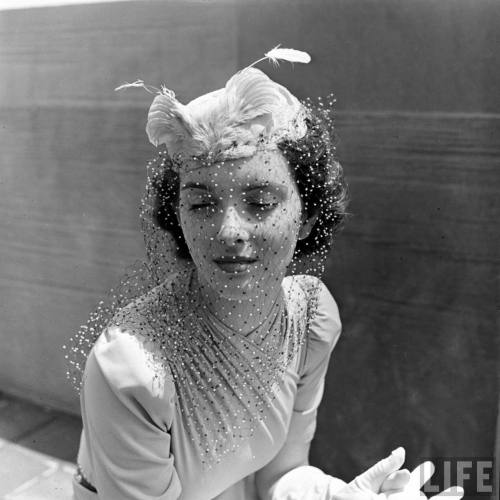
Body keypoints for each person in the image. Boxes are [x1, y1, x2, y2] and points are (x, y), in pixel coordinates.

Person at [68, 48, 463, 500]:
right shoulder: (132, 370)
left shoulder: (311, 318)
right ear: (178, 216)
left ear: (307, 216)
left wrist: (339, 497)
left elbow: (280, 473)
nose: (229, 231)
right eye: (201, 204)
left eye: (260, 203)